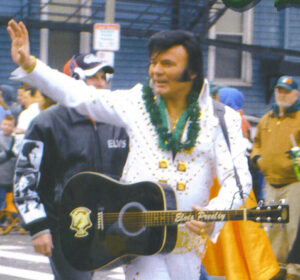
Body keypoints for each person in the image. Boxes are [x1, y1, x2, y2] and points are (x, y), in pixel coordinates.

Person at [8, 20, 252, 280]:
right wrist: (30, 65)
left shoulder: (222, 118)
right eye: (153, 62)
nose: (156, 71)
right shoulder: (137, 103)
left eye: (167, 64)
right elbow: (80, 95)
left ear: (192, 72)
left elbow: (238, 181)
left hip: (188, 241)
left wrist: (215, 211)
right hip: (139, 237)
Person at [13, 52, 129, 280]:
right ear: (72, 79)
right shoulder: (46, 123)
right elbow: (25, 179)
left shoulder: (118, 122)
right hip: (65, 228)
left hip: (110, 227)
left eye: (104, 76)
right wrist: (38, 226)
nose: (100, 83)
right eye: (93, 76)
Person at [250, 75, 300, 280]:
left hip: (294, 183)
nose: (281, 94)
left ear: (296, 94)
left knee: (293, 229)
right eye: (279, 90)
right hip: (270, 183)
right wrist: (258, 159)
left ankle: (295, 271)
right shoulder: (266, 118)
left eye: (286, 91)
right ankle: (276, 268)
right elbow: (256, 144)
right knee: (273, 228)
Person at [0, 114, 16, 210]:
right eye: (5, 124)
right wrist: (7, 154)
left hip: (11, 177)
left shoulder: (16, 139)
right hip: (1, 177)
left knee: (10, 202)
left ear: (13, 127)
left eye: (9, 125)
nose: (6, 127)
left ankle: (9, 221)